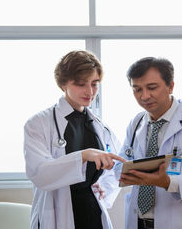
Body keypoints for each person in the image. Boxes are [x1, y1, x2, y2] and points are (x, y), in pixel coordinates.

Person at [24, 50, 125, 229]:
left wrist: (103, 188)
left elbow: (115, 168)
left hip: (92, 213)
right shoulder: (39, 123)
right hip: (56, 214)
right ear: (63, 84)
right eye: (81, 84)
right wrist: (83, 156)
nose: (90, 91)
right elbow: (39, 173)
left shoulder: (100, 127)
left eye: (95, 84)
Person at [118, 57, 182, 229]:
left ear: (170, 86)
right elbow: (122, 162)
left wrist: (168, 182)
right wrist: (120, 170)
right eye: (137, 89)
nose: (144, 96)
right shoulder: (136, 122)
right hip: (139, 221)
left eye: (152, 88)